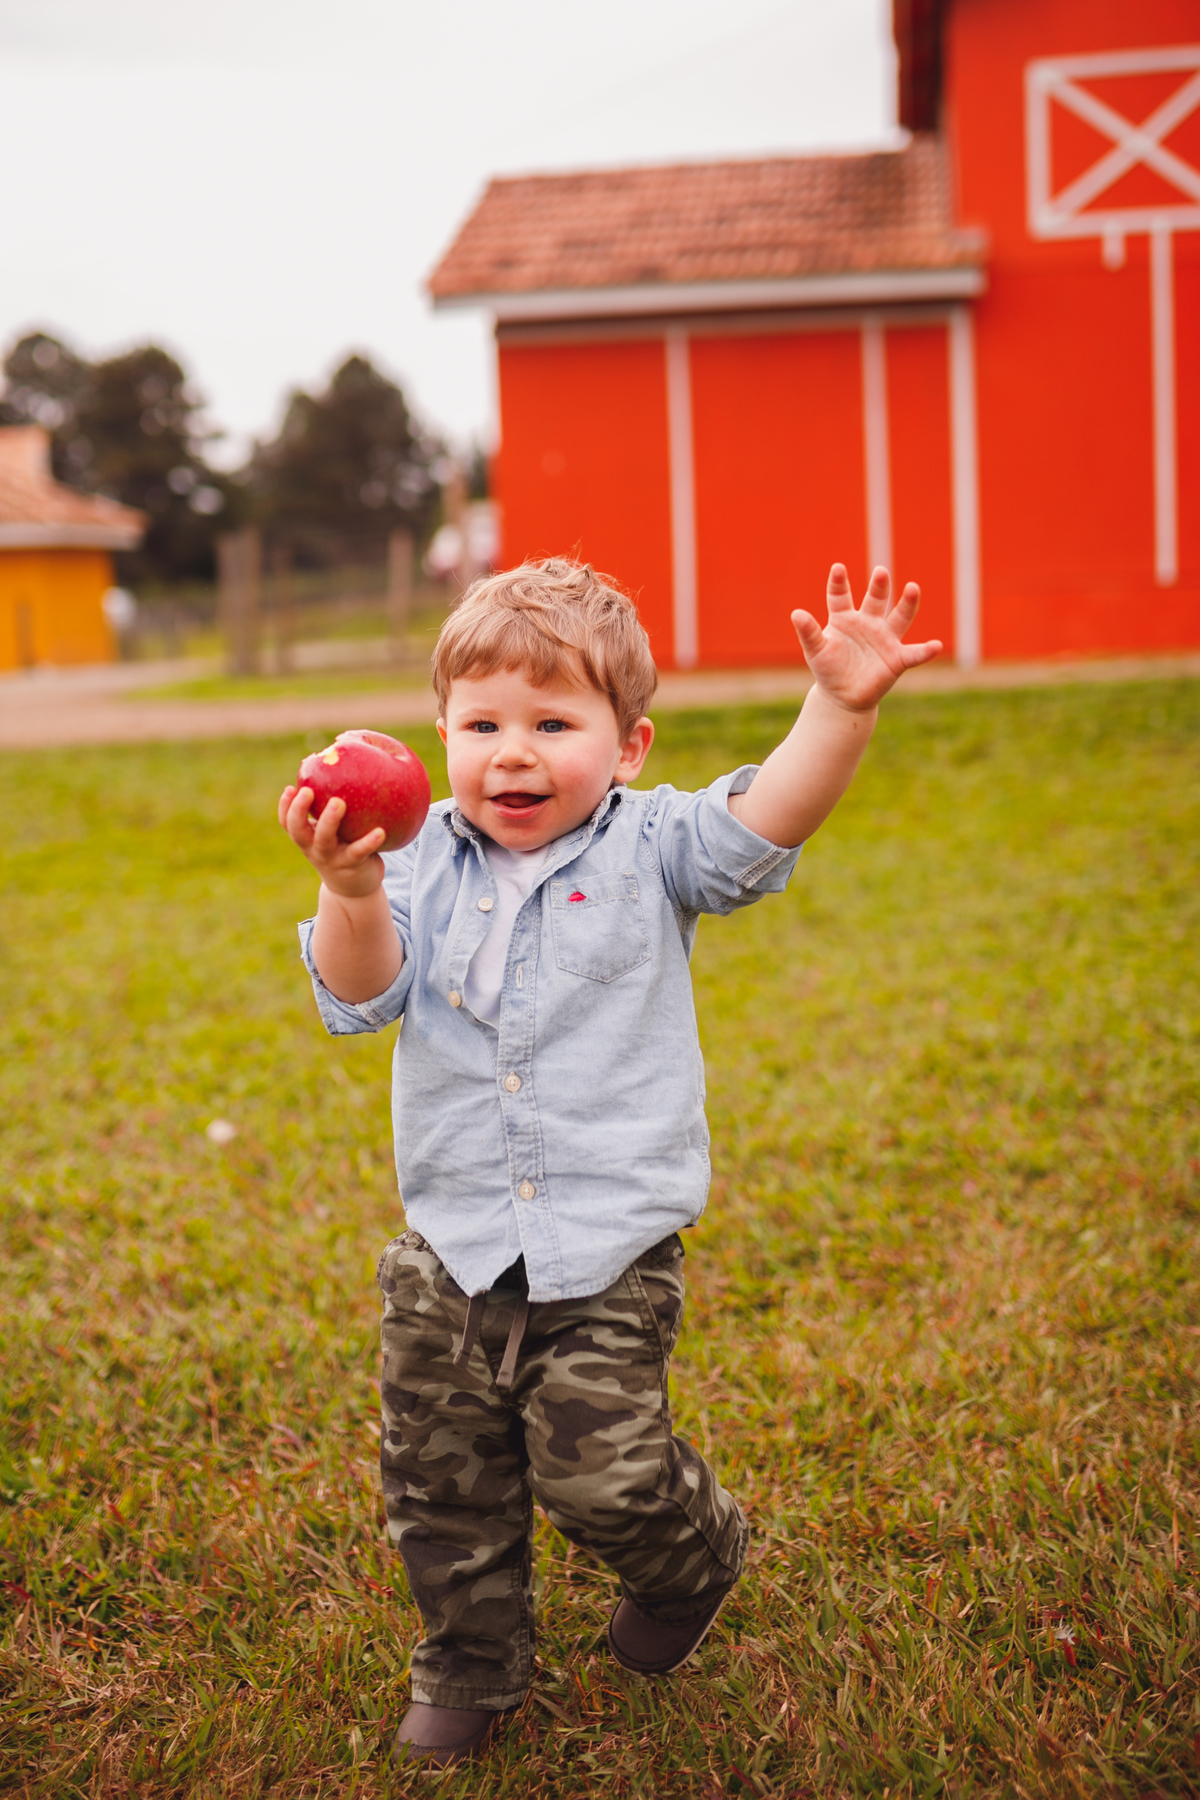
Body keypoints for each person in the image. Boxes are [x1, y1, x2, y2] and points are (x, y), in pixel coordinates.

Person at [278, 557, 939, 1768]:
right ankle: (467, 1665)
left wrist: (839, 709)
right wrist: (351, 885)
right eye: (482, 724)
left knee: (606, 1479)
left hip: (606, 1252)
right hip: (454, 1248)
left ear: (628, 747)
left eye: (551, 722)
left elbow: (768, 818)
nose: (512, 753)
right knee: (442, 1484)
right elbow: (364, 993)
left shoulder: (655, 847)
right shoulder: (414, 855)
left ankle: (695, 1557)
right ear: (440, 736)